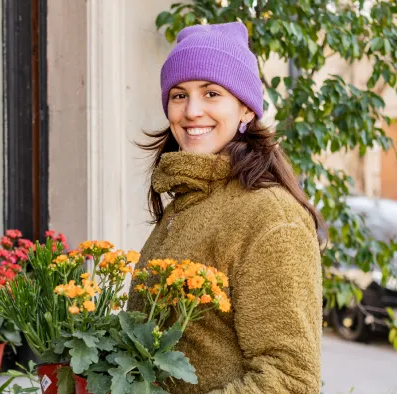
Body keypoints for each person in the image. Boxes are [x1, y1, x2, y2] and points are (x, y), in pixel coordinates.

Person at [127, 22, 323, 393]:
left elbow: (290, 380)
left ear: (246, 109)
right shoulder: (187, 203)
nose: (192, 111)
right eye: (179, 95)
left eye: (212, 93)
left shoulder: (269, 216)